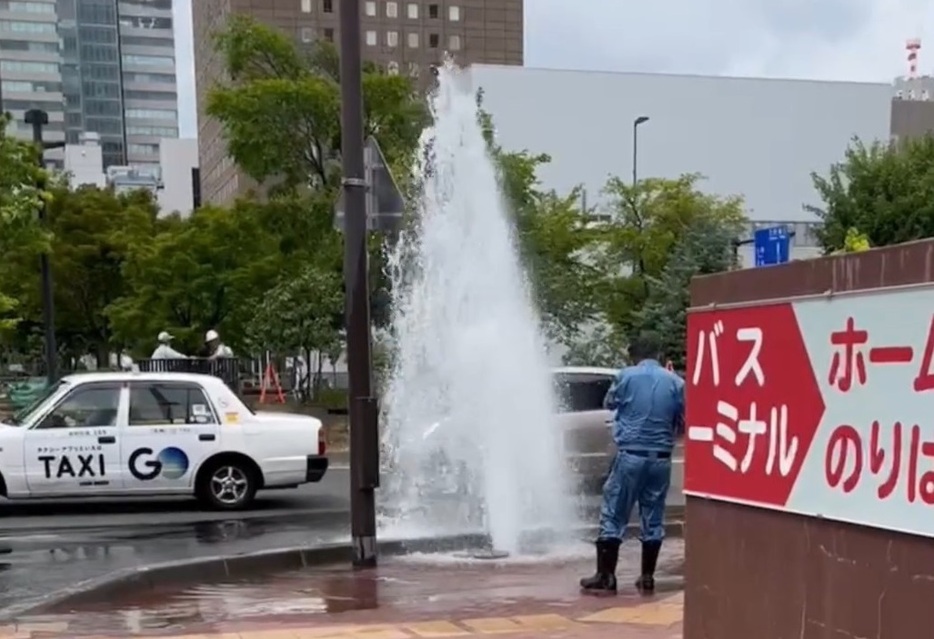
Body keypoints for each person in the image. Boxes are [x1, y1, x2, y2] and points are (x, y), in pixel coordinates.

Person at [580, 332, 684, 595]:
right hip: (661, 458)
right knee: (654, 515)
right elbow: (683, 419)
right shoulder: (675, 382)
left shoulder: (625, 376)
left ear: (634, 355)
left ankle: (606, 576)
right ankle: (647, 576)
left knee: (614, 511)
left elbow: (610, 402)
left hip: (631, 455)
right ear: (659, 355)